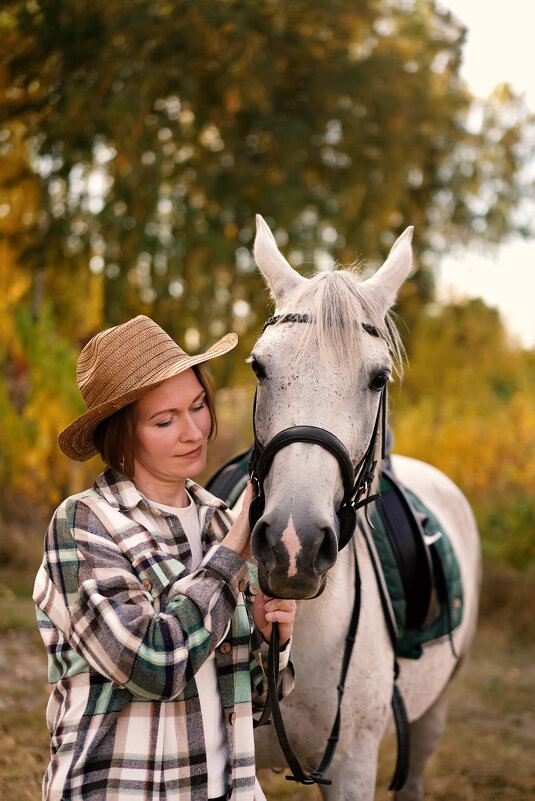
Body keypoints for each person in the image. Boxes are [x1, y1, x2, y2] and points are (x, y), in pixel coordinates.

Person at [33, 315, 296, 801]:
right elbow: (155, 665)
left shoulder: (220, 519)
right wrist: (232, 555)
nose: (194, 431)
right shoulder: (85, 525)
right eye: (164, 420)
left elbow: (256, 700)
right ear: (121, 434)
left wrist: (268, 639)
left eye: (197, 405)